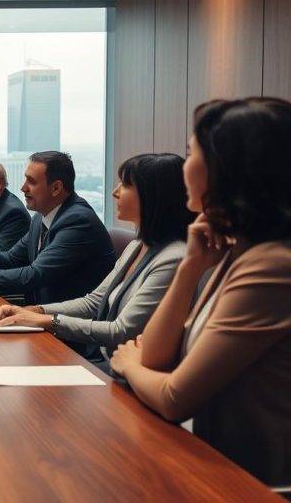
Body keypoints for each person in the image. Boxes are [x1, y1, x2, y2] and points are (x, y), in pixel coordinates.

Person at [111, 98, 291, 486]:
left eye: (192, 153)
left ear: (228, 168)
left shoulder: (271, 265)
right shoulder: (233, 251)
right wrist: (190, 269)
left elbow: (175, 398)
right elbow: (159, 359)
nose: (184, 168)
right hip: (214, 464)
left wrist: (130, 365)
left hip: (253, 485)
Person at [0, 154, 193, 366]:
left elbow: (120, 330)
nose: (115, 192)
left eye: (125, 185)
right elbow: (93, 302)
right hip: (107, 359)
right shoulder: (136, 246)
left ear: (152, 196)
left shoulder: (172, 258)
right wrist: (36, 311)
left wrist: (47, 320)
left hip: (122, 369)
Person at [0, 151, 115, 305]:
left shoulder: (78, 221)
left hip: (68, 329)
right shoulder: (40, 217)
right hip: (39, 313)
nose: (23, 188)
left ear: (56, 188)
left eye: (31, 182)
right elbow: (10, 259)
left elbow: (35, 274)